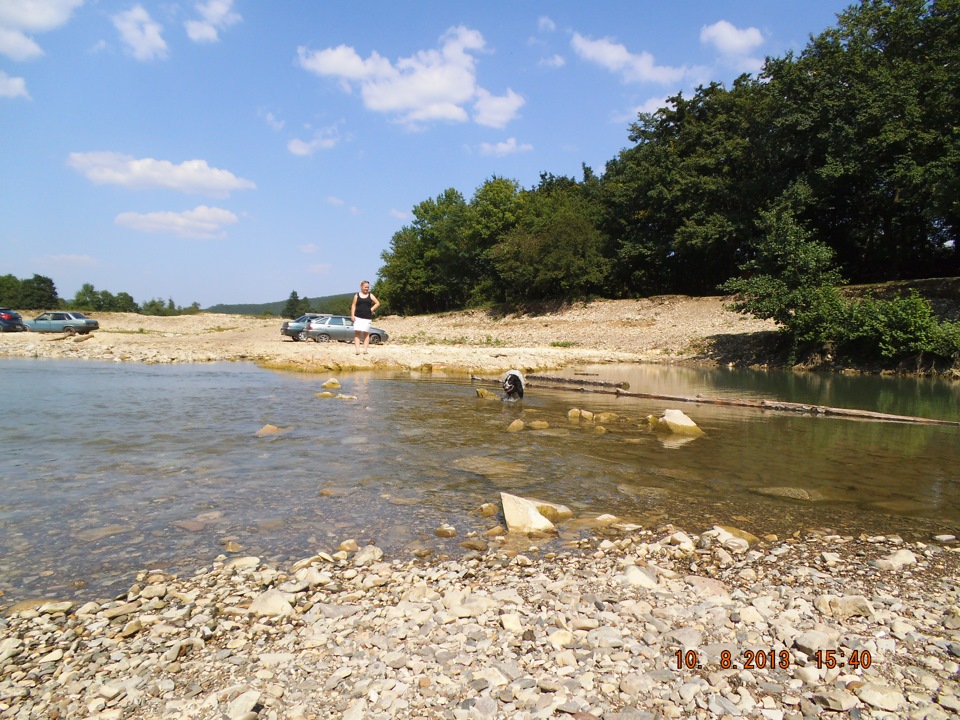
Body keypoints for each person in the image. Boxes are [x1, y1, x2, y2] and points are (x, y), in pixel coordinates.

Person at [351, 280, 380, 355]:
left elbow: (377, 303)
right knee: (357, 333)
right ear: (361, 287)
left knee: (366, 333)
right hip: (358, 316)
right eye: (365, 287)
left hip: (367, 317)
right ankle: (357, 350)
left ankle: (365, 350)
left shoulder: (370, 295)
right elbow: (353, 305)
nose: (367, 288)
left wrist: (371, 309)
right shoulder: (357, 295)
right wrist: (352, 315)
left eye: (368, 287)